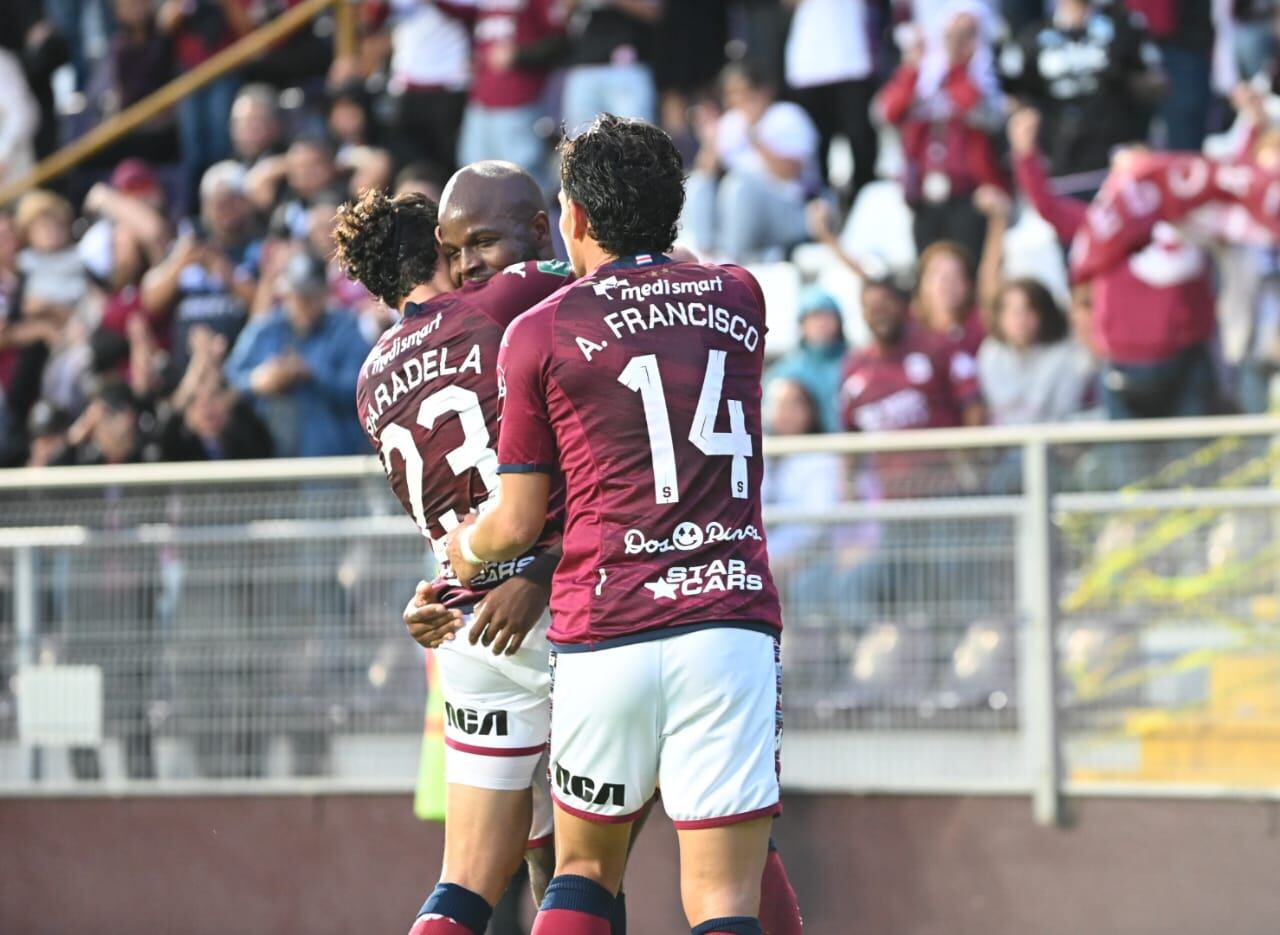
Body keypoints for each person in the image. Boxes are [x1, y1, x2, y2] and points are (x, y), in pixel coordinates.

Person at [447, 114, 791, 935]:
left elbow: (519, 519)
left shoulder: (540, 331)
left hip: (606, 627)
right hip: (727, 622)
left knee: (585, 871)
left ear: (572, 217)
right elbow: (684, 288)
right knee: (721, 900)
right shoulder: (740, 291)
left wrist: (463, 547)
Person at [337, 174, 574, 935]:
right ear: (440, 250)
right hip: (553, 594)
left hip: (463, 622)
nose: (473, 260)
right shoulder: (499, 303)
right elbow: (613, 272)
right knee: (584, 867)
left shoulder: (369, 379)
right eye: (459, 247)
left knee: (471, 876)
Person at [999, 0, 1164, 197]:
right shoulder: (1032, 39)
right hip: (1060, 168)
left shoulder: (1123, 26)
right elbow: (1014, 99)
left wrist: (1122, 76)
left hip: (1116, 166)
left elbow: (1156, 84)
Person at [879, 1, 1005, 258]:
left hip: (970, 195)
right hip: (925, 196)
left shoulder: (985, 73)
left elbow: (972, 103)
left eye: (966, 34)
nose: (954, 42)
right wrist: (913, 69)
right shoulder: (923, 76)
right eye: (949, 35)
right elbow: (889, 110)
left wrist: (955, 65)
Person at [223, 251, 369, 457]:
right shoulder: (266, 328)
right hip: (269, 468)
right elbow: (229, 380)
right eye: (297, 295)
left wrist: (311, 373)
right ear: (286, 294)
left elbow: (364, 390)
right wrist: (257, 381)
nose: (303, 303)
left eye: (311, 295)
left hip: (334, 467)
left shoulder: (345, 328)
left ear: (325, 294)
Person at [684, 62, 820, 262]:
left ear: (763, 91)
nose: (740, 99)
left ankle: (731, 262)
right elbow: (706, 172)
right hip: (744, 215)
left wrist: (755, 137)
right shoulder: (731, 122)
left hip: (789, 210)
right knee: (697, 183)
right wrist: (710, 143)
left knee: (739, 184)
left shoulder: (787, 115)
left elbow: (790, 173)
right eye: (732, 93)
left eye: (745, 91)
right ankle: (704, 256)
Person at [141, 161, 262, 368]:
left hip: (239, 363)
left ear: (246, 202)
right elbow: (150, 301)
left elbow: (265, 306)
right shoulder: (186, 247)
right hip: (186, 364)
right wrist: (181, 264)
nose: (222, 209)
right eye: (214, 202)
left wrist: (226, 274)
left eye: (230, 201)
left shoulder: (260, 248)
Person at [784, 0, 879, 205]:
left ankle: (863, 202)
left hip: (851, 58)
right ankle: (819, 206)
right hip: (809, 63)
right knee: (815, 145)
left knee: (860, 137)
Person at [560, 0, 662, 132]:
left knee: (632, 139)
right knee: (579, 138)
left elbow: (653, 11)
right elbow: (561, 14)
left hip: (627, 68)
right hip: (584, 66)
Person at [762, 286, 848, 433]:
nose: (821, 324)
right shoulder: (784, 371)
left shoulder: (856, 363)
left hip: (848, 447)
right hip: (801, 450)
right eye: (814, 317)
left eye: (827, 316)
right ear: (802, 324)